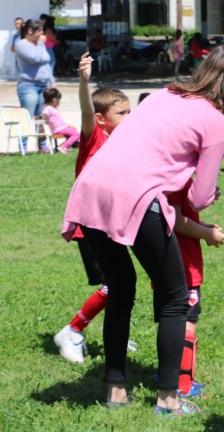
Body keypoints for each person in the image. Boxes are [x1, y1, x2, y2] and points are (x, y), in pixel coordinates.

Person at [61, 45, 224, 415]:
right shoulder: (217, 122)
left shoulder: (165, 93)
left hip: (91, 186)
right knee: (175, 298)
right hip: (138, 198)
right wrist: (208, 195)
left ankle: (115, 391)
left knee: (121, 289)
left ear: (204, 70)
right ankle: (168, 399)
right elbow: (198, 197)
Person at [53, 54, 131, 365]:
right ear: (102, 119)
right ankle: (72, 331)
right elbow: (87, 110)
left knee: (121, 283)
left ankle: (116, 331)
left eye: (129, 111)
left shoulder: (124, 140)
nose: (129, 117)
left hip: (113, 224)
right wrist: (85, 82)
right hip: (90, 226)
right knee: (115, 284)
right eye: (122, 113)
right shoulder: (94, 135)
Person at [167, 178, 224, 398]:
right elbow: (175, 220)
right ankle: (184, 383)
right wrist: (206, 234)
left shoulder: (175, 175)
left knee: (171, 321)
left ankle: (166, 373)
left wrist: (204, 228)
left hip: (172, 264)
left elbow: (182, 217)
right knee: (188, 323)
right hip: (184, 268)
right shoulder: (178, 180)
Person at [15, 19, 54, 151]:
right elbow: (35, 58)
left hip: (43, 85)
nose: (42, 33)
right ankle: (23, 146)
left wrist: (52, 82)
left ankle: (42, 146)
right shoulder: (21, 45)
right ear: (30, 31)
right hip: (28, 86)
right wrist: (41, 45)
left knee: (41, 117)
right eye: (40, 30)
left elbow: (46, 64)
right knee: (28, 116)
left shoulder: (39, 45)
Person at [41, 87, 81, 153]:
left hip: (61, 128)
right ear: (54, 100)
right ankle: (64, 146)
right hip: (58, 129)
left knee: (74, 131)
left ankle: (63, 146)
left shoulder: (54, 108)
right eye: (58, 100)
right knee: (77, 134)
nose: (59, 102)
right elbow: (44, 118)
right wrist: (45, 124)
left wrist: (68, 125)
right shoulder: (48, 109)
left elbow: (60, 121)